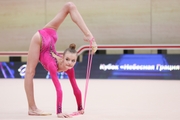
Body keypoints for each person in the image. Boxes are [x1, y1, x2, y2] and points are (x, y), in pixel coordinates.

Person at [24, 2, 97, 118]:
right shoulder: (53, 66)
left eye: (73, 61)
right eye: (68, 60)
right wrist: (59, 112)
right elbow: (59, 89)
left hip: (51, 35)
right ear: (63, 58)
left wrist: (80, 108)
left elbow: (76, 89)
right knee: (30, 71)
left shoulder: (69, 68)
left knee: (70, 6)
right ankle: (32, 108)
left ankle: (88, 35)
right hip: (40, 39)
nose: (69, 63)